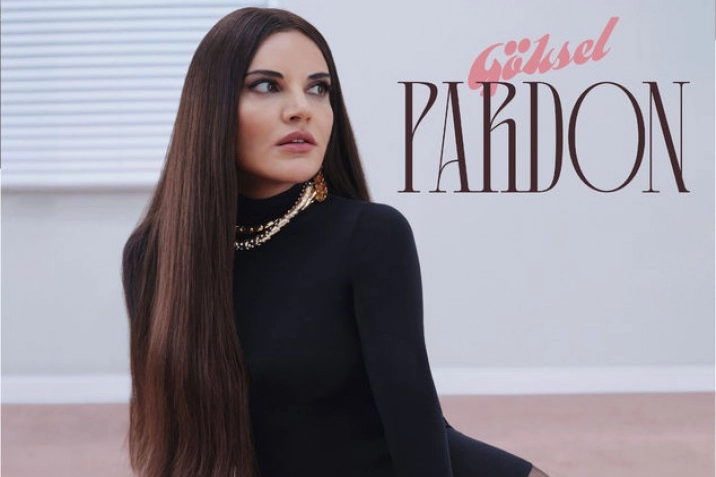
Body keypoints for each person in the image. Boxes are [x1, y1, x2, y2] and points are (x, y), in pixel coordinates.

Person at [122, 7, 550, 477]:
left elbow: (415, 423)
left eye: (318, 88)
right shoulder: (154, 256)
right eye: (266, 86)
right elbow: (180, 440)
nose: (301, 108)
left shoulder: (371, 235)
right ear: (212, 106)